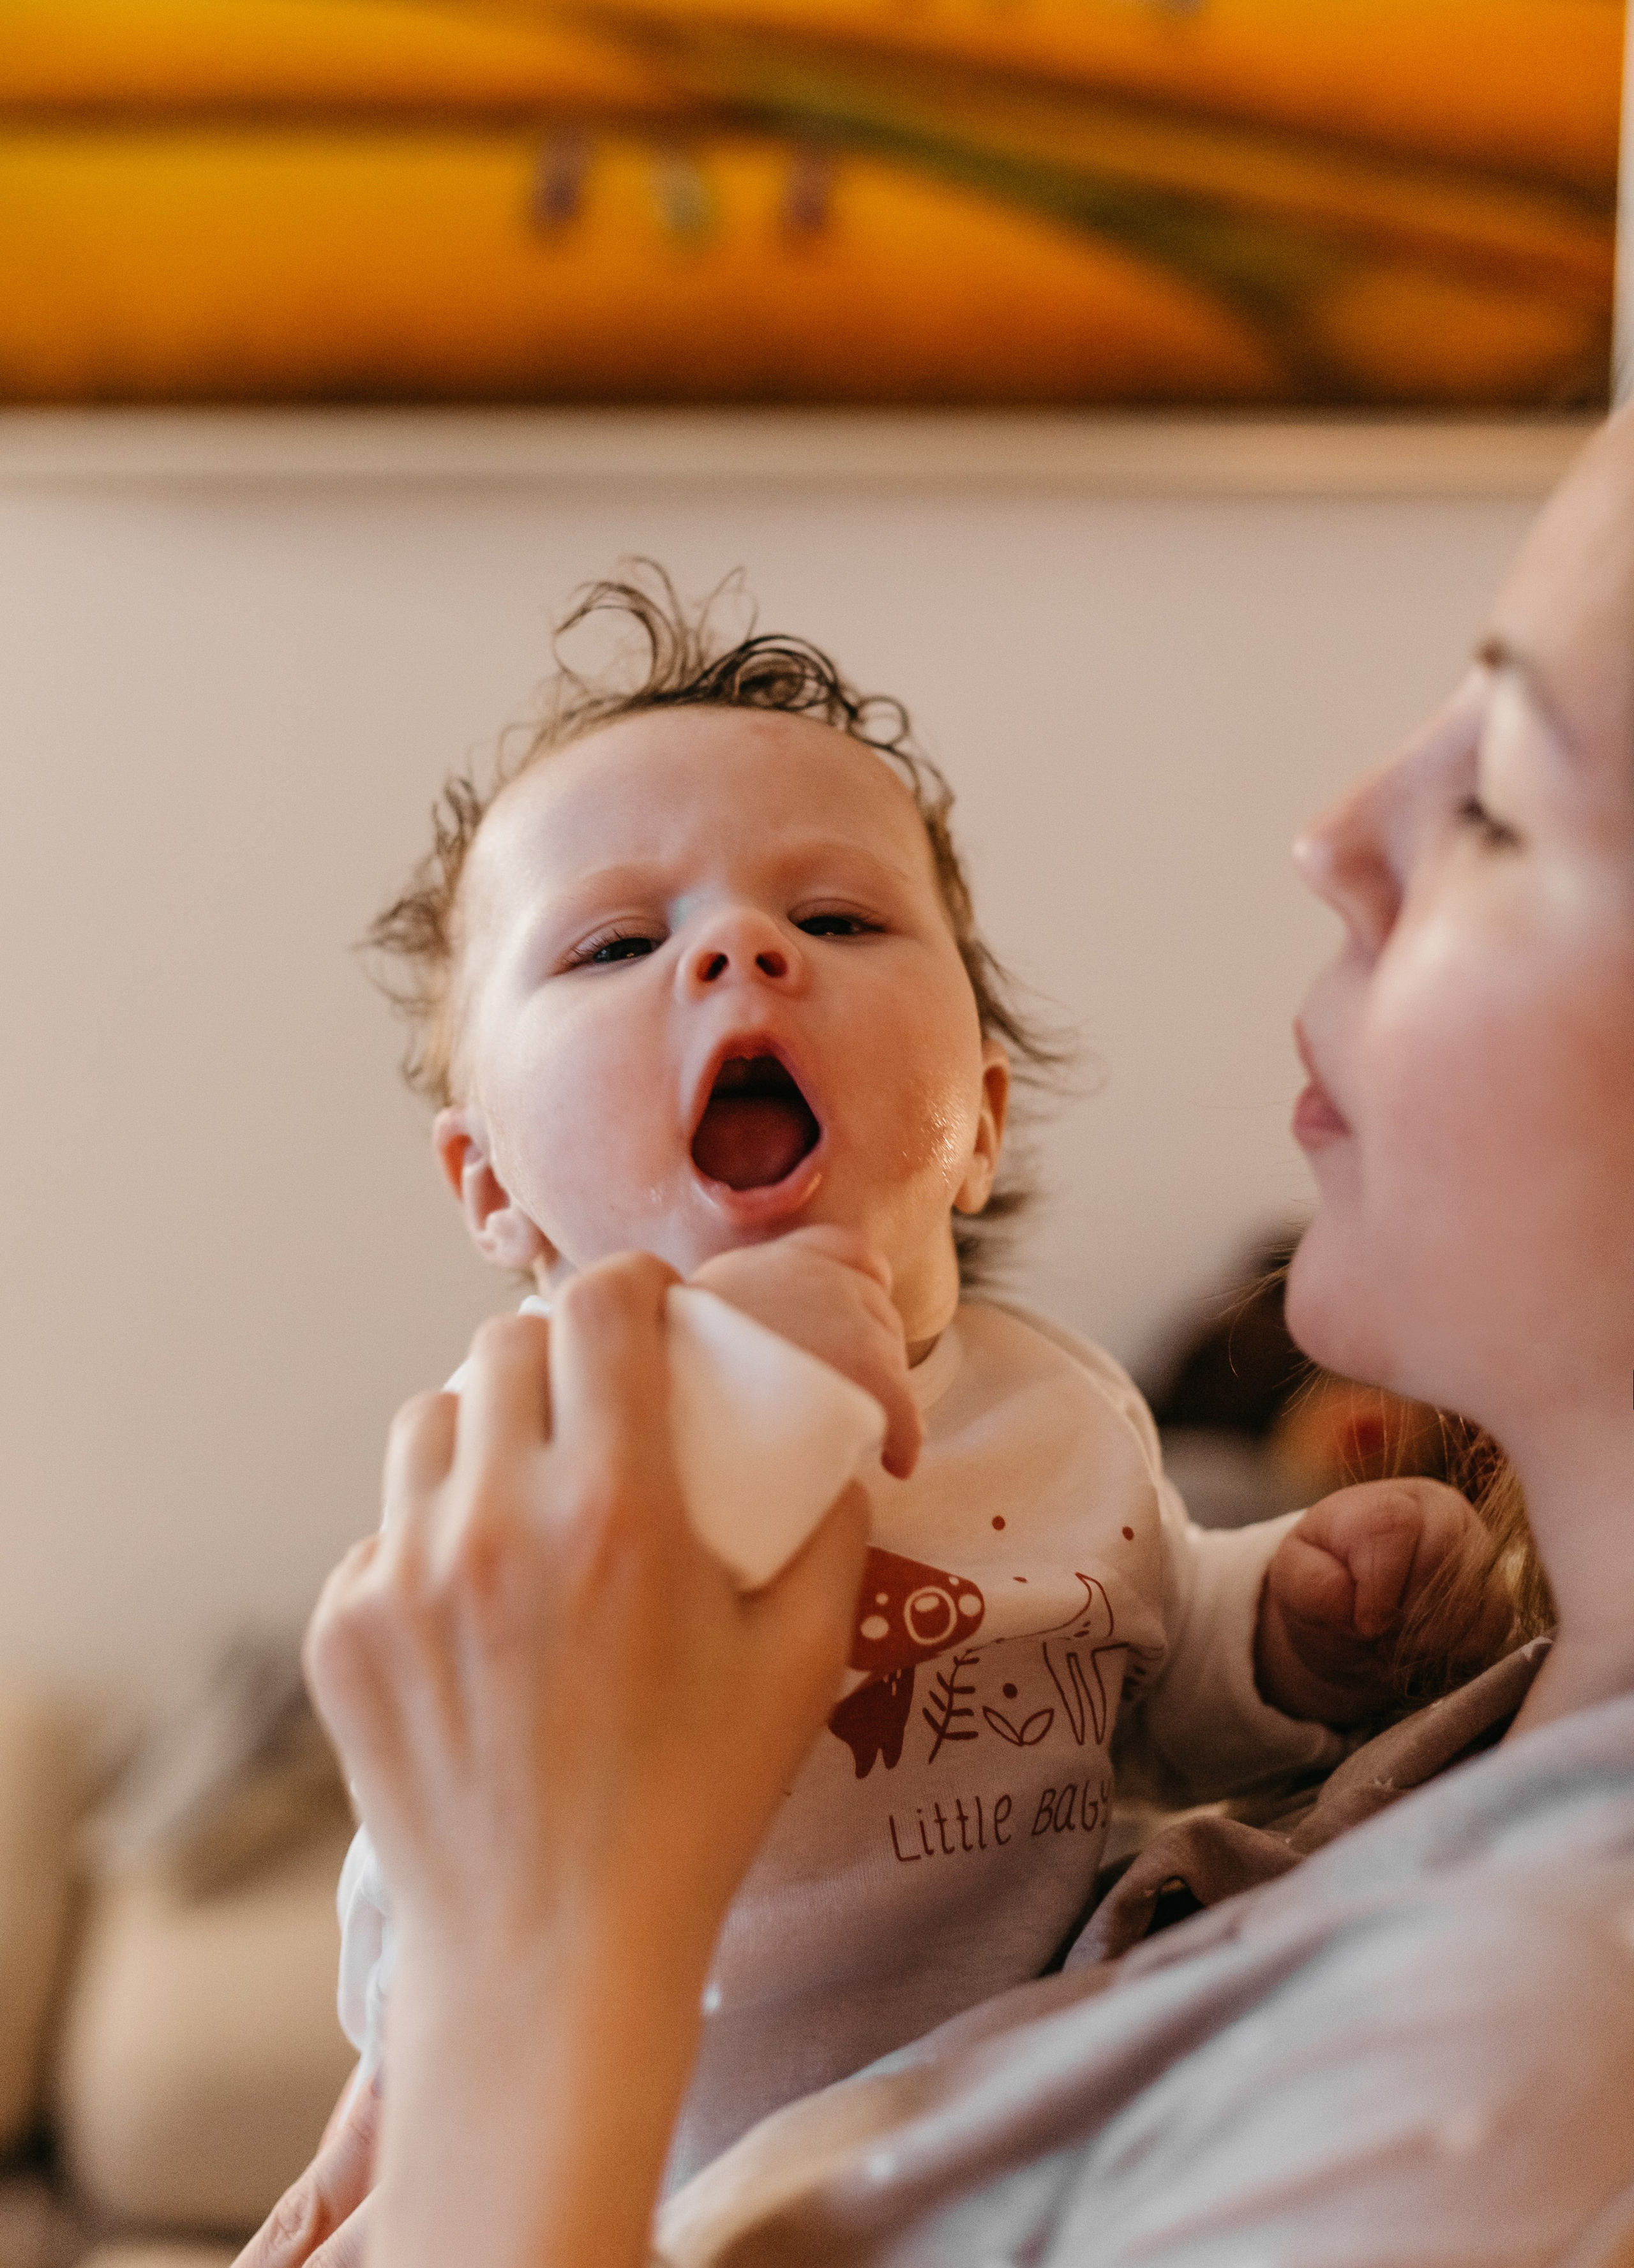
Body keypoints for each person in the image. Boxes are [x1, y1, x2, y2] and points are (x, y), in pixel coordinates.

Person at [241, 400, 1634, 2268]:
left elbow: (1155, 1625)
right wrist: (434, 2059)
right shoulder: (563, 1484)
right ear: (488, 1188)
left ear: (976, 1118)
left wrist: (1284, 1627)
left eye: (1499, 803)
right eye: (610, 947)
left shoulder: (1065, 1422)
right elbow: (441, 1850)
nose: (741, 954)